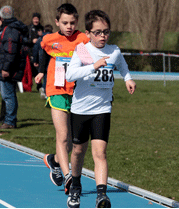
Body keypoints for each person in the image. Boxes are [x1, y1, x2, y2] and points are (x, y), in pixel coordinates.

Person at [66, 10, 136, 208]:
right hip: (80, 109)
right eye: (97, 32)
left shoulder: (114, 51)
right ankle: (76, 186)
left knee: (100, 153)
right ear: (88, 33)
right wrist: (93, 67)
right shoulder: (81, 50)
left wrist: (128, 79)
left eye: (106, 32)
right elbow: (70, 75)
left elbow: (123, 66)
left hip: (102, 109)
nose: (102, 36)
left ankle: (102, 195)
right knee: (78, 151)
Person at [35, 3, 89, 195]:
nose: (69, 26)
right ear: (57, 22)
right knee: (63, 135)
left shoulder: (81, 39)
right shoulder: (50, 40)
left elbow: (87, 62)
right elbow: (43, 52)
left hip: (77, 93)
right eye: (65, 23)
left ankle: (54, 160)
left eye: (72, 23)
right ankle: (69, 177)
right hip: (56, 90)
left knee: (74, 141)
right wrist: (41, 71)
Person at [0, 5, 28, 129]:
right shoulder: (8, 28)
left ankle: (10, 121)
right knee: (8, 95)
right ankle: (8, 119)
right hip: (7, 67)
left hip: (8, 69)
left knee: (8, 95)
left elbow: (10, 51)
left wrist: (6, 68)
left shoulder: (10, 30)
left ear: (1, 17)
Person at [33, 24, 53, 99]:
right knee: (48, 75)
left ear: (44, 31)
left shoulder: (40, 38)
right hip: (50, 58)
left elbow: (35, 49)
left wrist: (35, 60)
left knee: (43, 74)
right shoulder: (53, 38)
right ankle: (47, 91)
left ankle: (44, 90)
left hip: (41, 58)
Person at [27, 12, 44, 92]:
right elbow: (25, 40)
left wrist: (41, 36)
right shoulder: (29, 28)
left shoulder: (41, 28)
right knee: (30, 70)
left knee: (38, 70)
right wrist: (31, 41)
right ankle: (28, 86)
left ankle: (39, 86)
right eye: (34, 19)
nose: (36, 20)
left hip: (39, 52)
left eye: (37, 19)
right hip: (30, 51)